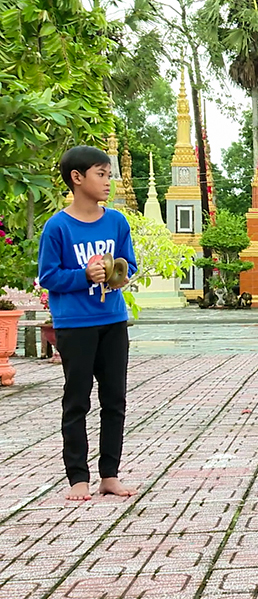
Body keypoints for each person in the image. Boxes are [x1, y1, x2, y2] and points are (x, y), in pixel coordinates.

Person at [38, 145, 138, 500]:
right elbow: (48, 277)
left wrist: (117, 274)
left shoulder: (116, 222)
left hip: (112, 320)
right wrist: (84, 275)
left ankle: (109, 475)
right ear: (77, 178)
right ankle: (77, 478)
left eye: (109, 174)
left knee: (115, 400)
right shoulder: (57, 228)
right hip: (75, 324)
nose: (108, 181)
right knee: (77, 399)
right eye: (101, 174)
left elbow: (130, 264)